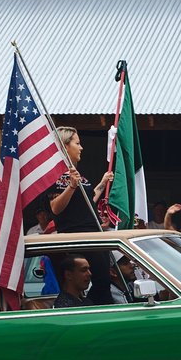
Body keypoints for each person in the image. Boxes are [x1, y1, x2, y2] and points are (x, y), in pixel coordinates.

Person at [48, 127, 115, 304]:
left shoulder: (78, 175)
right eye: (77, 143)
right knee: (100, 284)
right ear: (65, 146)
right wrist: (71, 186)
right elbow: (55, 207)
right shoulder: (56, 176)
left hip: (93, 235)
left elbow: (87, 201)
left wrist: (102, 183)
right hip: (80, 240)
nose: (81, 147)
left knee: (103, 283)